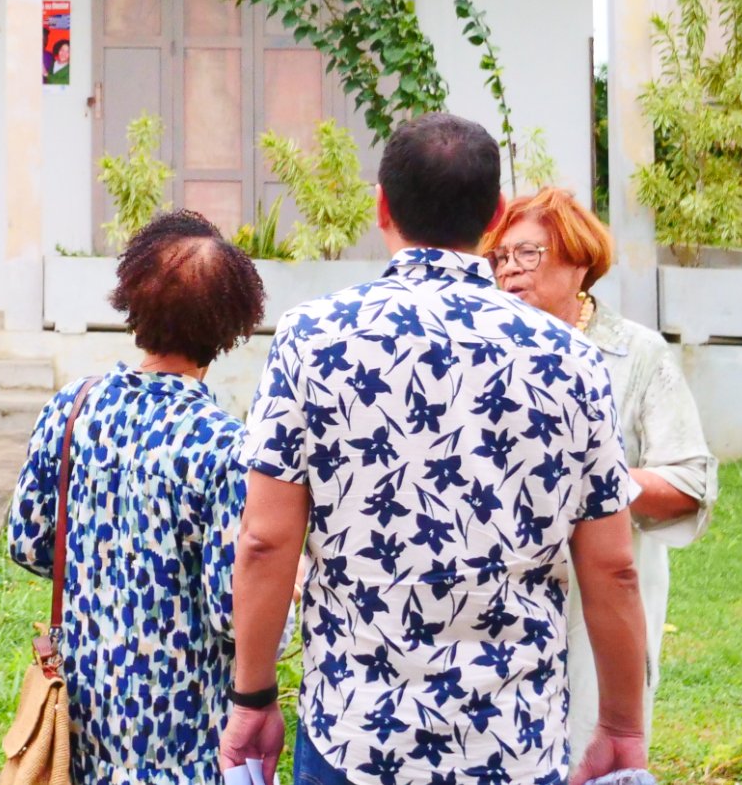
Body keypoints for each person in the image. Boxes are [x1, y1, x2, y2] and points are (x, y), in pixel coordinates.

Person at [221, 113, 647, 785]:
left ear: (382, 207)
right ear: (497, 215)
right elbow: (614, 568)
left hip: (354, 738)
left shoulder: (312, 339)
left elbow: (265, 541)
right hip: (513, 740)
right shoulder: (572, 359)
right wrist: (622, 726)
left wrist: (252, 697)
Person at [6, 210, 266, 785]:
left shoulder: (73, 406)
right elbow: (234, 611)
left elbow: (28, 544)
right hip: (183, 743)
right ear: (232, 325)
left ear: (131, 303)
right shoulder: (225, 445)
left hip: (80, 724)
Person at [484, 186, 718, 765]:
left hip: (599, 613)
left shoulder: (637, 354)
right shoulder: (484, 351)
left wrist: (595, 483)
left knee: (592, 749)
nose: (509, 269)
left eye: (527, 253)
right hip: (500, 609)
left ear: (580, 262)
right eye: (500, 257)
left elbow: (690, 486)